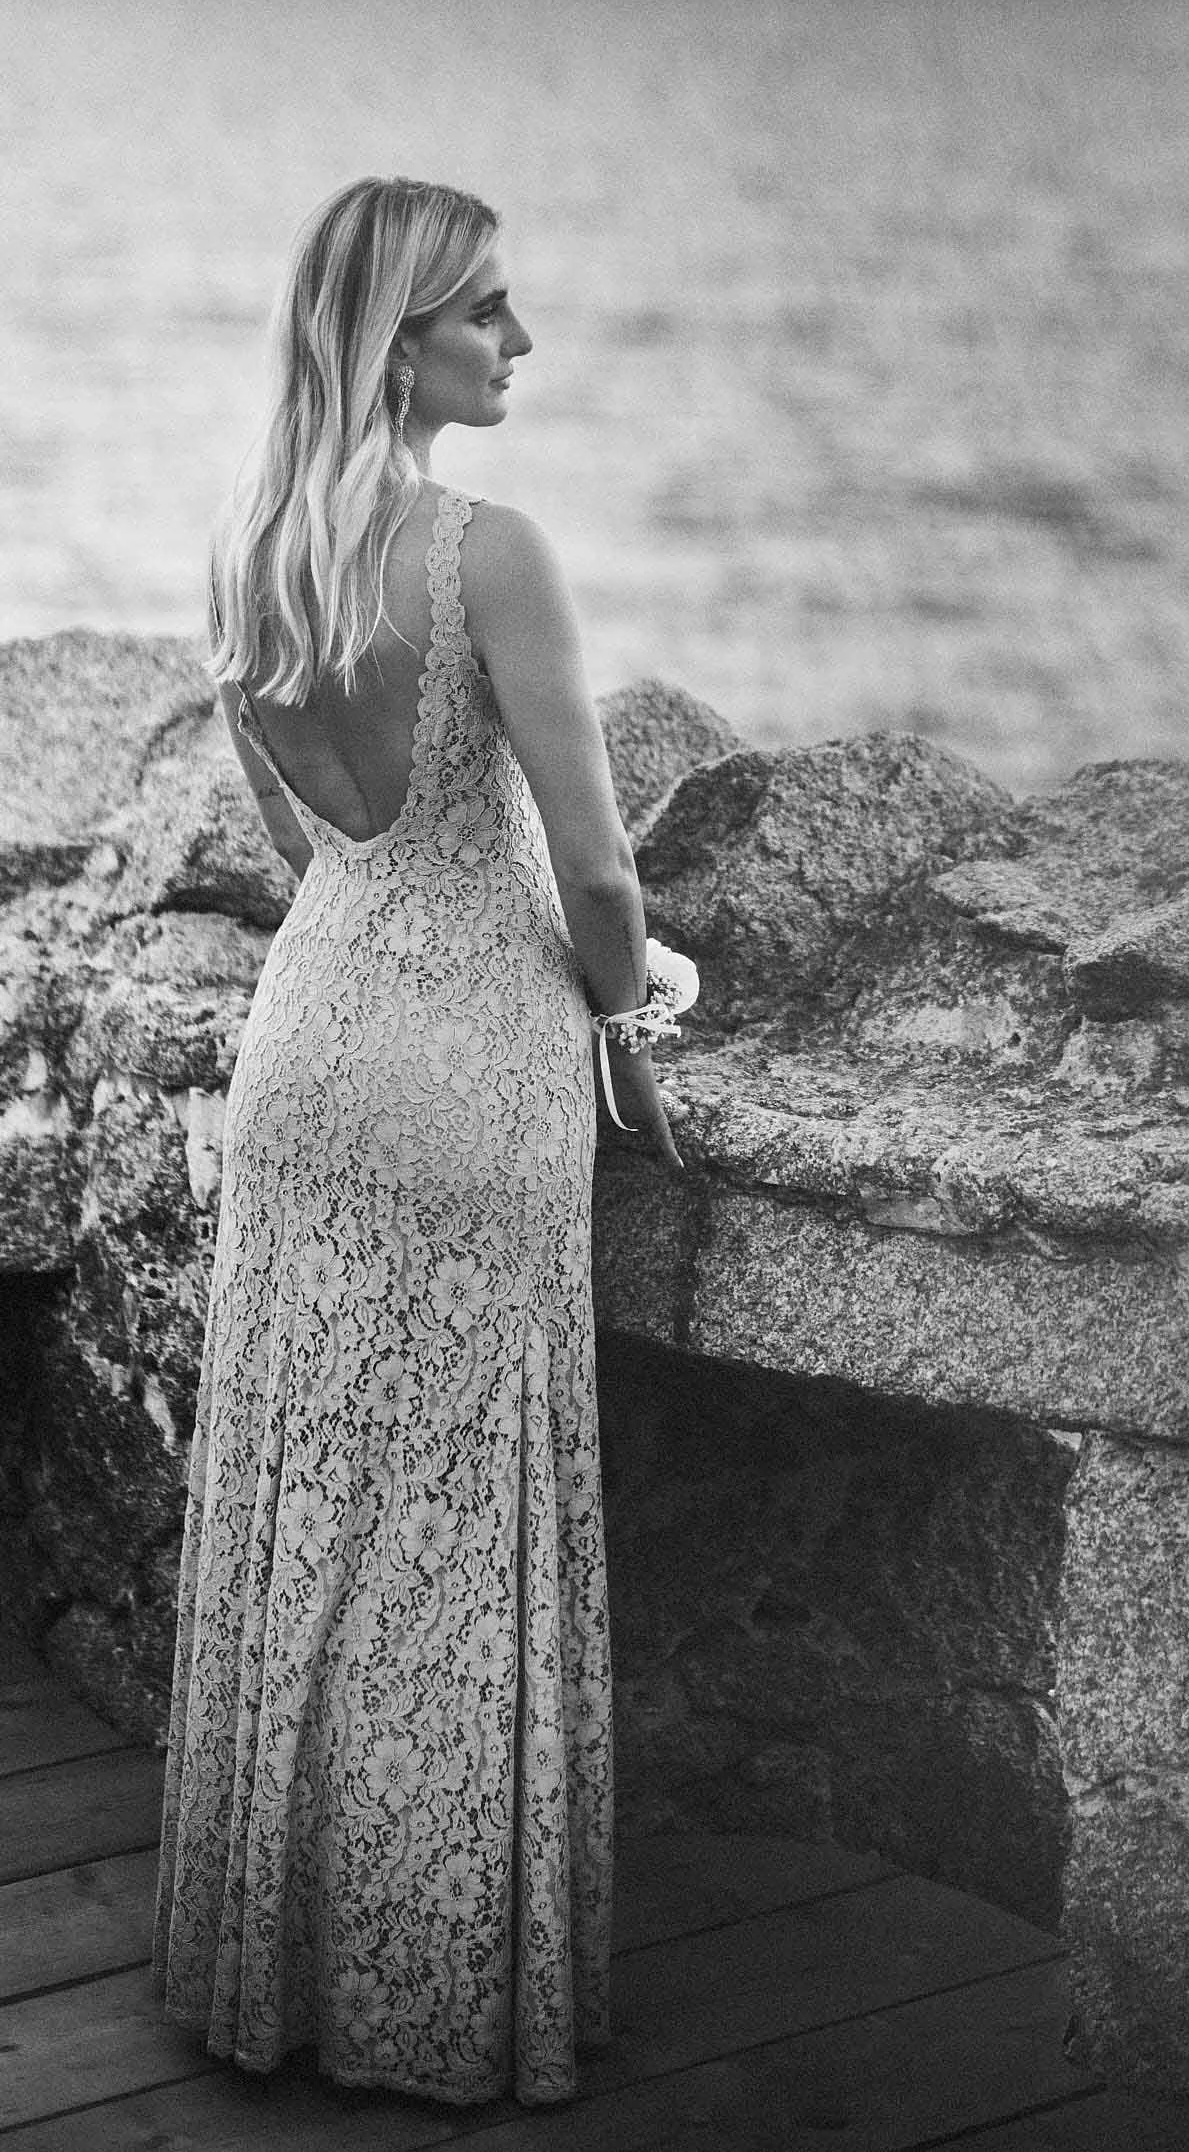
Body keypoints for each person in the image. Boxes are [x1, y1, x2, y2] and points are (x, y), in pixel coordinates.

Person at [153, 173, 679, 2107]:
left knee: (307, 1519)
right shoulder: (487, 551)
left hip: (313, 1049)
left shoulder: (250, 554)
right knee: (458, 1537)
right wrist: (629, 1013)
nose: (519, 344)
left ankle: (271, 1975)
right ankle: (447, 1998)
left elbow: (314, 852)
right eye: (488, 314)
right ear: (402, 344)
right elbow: (600, 867)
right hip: (478, 1067)